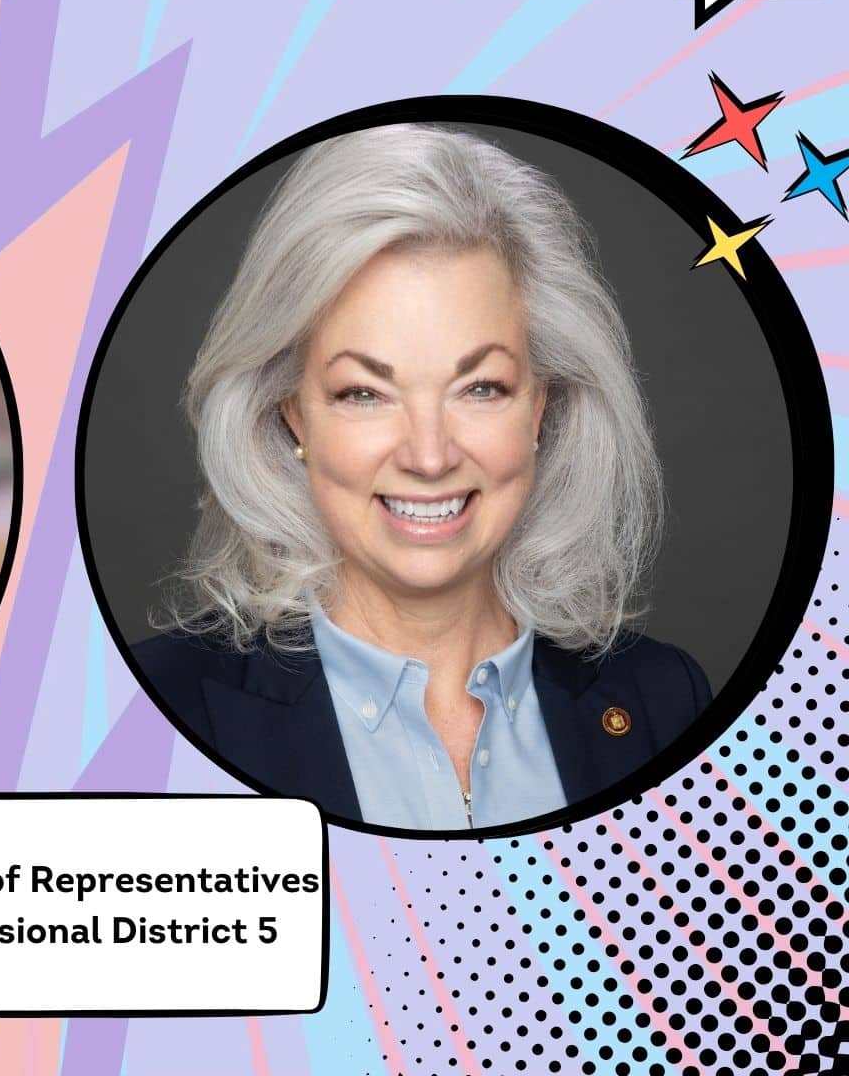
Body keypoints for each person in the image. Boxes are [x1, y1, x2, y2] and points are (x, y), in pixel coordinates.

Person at [133, 125, 710, 831]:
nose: (429, 456)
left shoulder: (665, 703)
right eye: (364, 393)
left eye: (481, 388)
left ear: (539, 408)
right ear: (293, 417)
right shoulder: (152, 713)